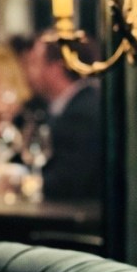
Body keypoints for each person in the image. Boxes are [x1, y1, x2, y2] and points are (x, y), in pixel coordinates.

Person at [24, 30, 103, 201]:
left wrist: (21, 184)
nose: (29, 72)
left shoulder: (82, 112)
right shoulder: (67, 106)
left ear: (56, 69)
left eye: (35, 63)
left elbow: (69, 181)